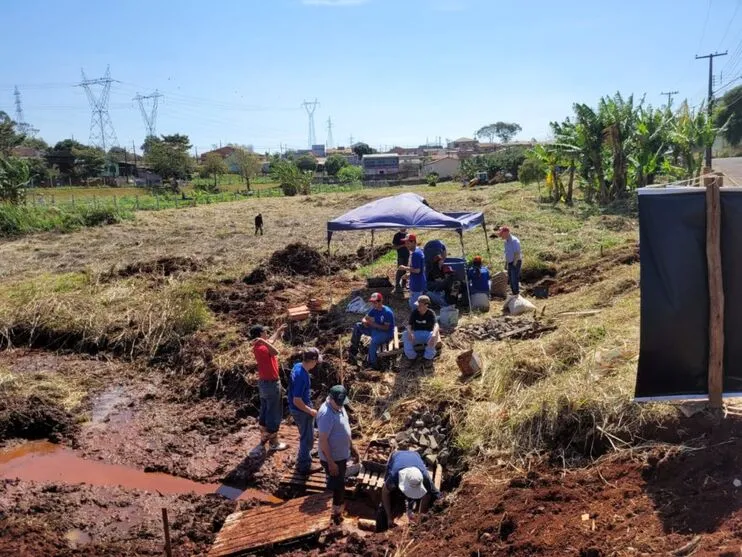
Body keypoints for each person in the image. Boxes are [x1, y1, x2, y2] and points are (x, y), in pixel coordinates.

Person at [317, 385, 359, 524]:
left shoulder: (339, 407)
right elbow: (323, 441)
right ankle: (335, 512)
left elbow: (345, 428)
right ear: (331, 399)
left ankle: (335, 505)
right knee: (337, 484)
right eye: (338, 403)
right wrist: (330, 462)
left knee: (338, 480)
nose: (341, 406)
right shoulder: (326, 414)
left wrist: (352, 446)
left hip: (341, 455)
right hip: (333, 458)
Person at [250, 323, 289, 453]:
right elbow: (275, 351)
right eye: (265, 332)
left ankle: (264, 438)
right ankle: (274, 442)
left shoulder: (259, 345)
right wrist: (264, 341)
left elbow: (271, 341)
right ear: (260, 335)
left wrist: (277, 332)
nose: (267, 334)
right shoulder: (261, 347)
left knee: (266, 410)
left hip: (264, 384)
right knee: (274, 412)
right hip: (271, 384)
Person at [380, 450, 440, 531]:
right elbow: (385, 493)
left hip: (415, 455)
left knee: (436, 495)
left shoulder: (424, 477)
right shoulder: (395, 476)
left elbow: (427, 495)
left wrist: (420, 516)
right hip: (397, 455)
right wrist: (389, 517)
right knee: (391, 496)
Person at [287, 348, 322, 475]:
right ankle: (304, 465)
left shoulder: (297, 366)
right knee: (306, 438)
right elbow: (297, 400)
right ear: (312, 360)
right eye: (316, 361)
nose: (316, 364)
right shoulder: (302, 376)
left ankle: (305, 454)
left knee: (306, 435)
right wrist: (310, 411)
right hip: (301, 410)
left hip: (297, 408)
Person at [347, 292, 396, 369]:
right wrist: (364, 322)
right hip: (375, 330)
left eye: (375, 302)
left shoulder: (387, 312)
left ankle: (373, 364)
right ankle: (354, 349)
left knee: (374, 342)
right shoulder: (374, 309)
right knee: (358, 326)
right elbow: (365, 318)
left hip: (386, 333)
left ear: (380, 301)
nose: (373, 304)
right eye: (372, 302)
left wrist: (372, 324)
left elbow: (386, 328)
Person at [403, 295, 440, 371]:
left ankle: (427, 358)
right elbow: (409, 325)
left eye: (420, 305)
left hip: (427, 334)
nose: (418, 307)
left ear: (426, 305)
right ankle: (412, 357)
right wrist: (410, 333)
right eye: (418, 305)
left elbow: (436, 325)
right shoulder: (415, 312)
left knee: (435, 335)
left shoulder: (431, 313)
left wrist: (433, 335)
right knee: (405, 334)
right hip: (416, 334)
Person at [398, 234, 426, 309]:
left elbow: (417, 270)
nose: (406, 245)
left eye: (408, 243)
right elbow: (418, 269)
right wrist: (409, 275)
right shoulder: (418, 251)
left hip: (417, 284)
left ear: (413, 242)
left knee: (415, 307)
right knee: (416, 305)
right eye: (405, 243)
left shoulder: (416, 254)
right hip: (417, 282)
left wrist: (404, 268)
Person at [498, 226, 522, 295]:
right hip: (510, 262)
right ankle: (514, 293)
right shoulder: (506, 242)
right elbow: (507, 253)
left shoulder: (514, 241)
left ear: (506, 233)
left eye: (502, 234)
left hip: (516, 262)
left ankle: (516, 294)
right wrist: (506, 264)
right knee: (511, 279)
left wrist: (514, 265)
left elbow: (517, 254)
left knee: (514, 279)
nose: (501, 235)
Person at [392, 228, 410, 294]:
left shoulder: (408, 234)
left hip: (407, 255)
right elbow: (394, 247)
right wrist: (403, 245)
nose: (404, 228)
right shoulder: (397, 235)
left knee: (405, 270)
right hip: (400, 255)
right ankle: (397, 285)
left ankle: (404, 285)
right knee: (400, 270)